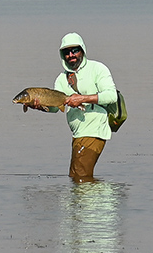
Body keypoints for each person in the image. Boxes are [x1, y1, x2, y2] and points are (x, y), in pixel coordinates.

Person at [25, 32, 118, 182]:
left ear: (82, 50)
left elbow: (112, 96)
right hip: (78, 133)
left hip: (95, 130)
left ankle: (99, 203)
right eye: (66, 52)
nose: (71, 55)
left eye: (75, 50)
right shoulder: (61, 79)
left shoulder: (97, 69)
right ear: (62, 55)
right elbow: (56, 108)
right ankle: (97, 203)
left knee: (80, 176)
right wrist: (39, 107)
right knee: (75, 177)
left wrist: (82, 98)